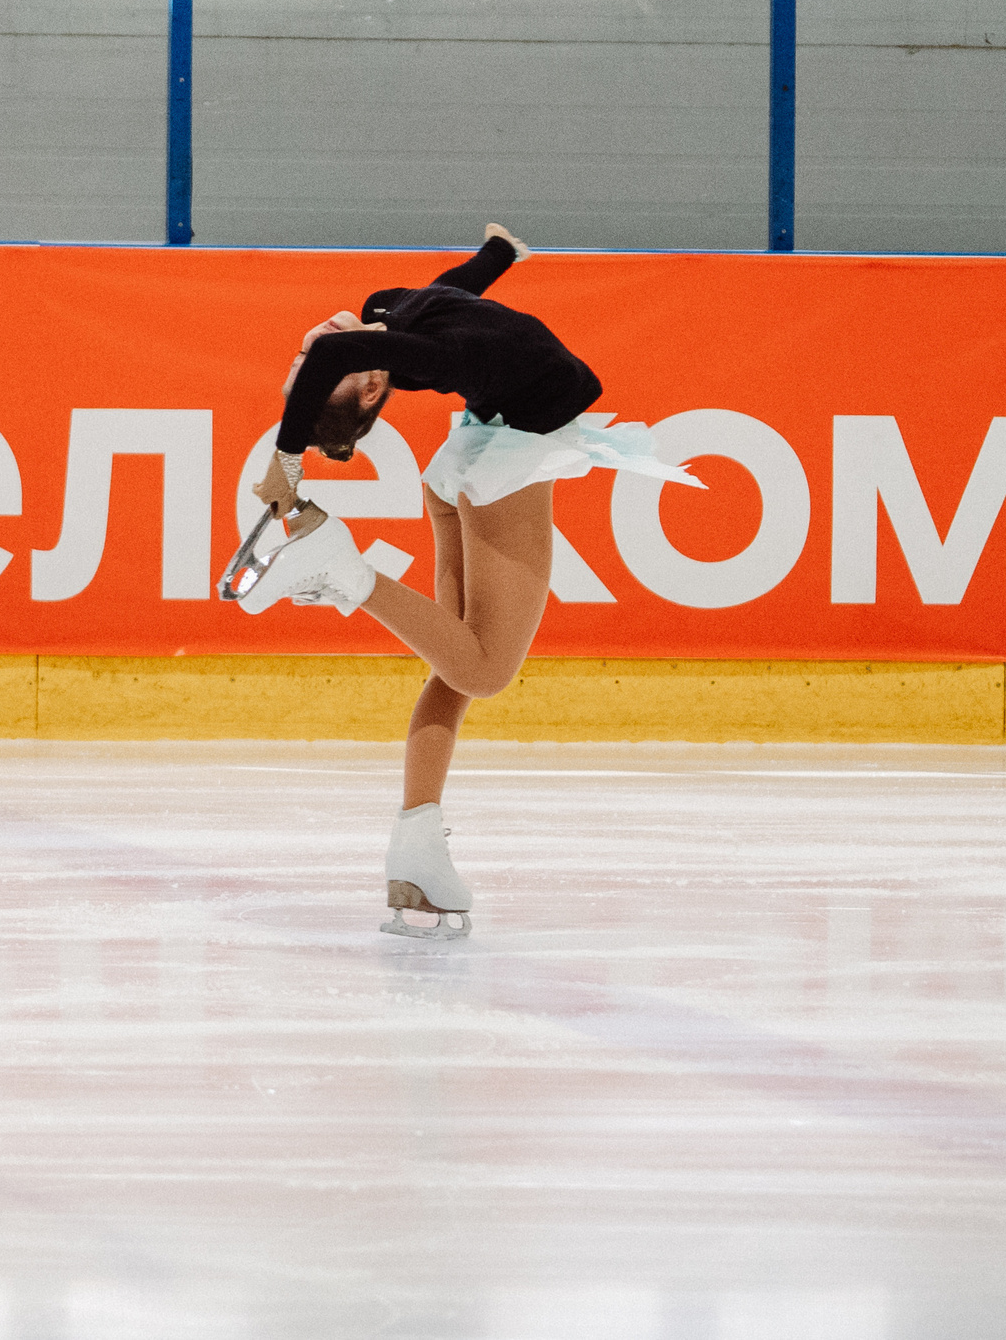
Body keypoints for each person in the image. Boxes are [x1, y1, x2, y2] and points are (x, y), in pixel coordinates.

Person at [232, 224, 698, 940]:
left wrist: (499, 256)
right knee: (486, 669)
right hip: (509, 459)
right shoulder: (407, 351)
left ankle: (416, 849)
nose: (312, 339)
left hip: (472, 455)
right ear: (374, 383)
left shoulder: (390, 310)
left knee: (451, 662)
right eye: (317, 367)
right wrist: (287, 464)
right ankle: (343, 569)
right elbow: (337, 348)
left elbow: (451, 292)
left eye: (299, 357)